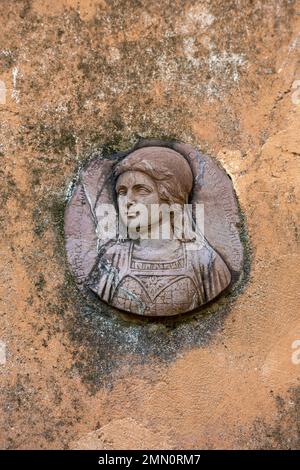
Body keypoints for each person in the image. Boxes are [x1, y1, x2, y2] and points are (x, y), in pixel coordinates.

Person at [88, 146, 231, 316]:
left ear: (171, 199)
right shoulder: (113, 259)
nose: (128, 201)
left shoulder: (205, 263)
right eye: (122, 191)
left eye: (141, 190)